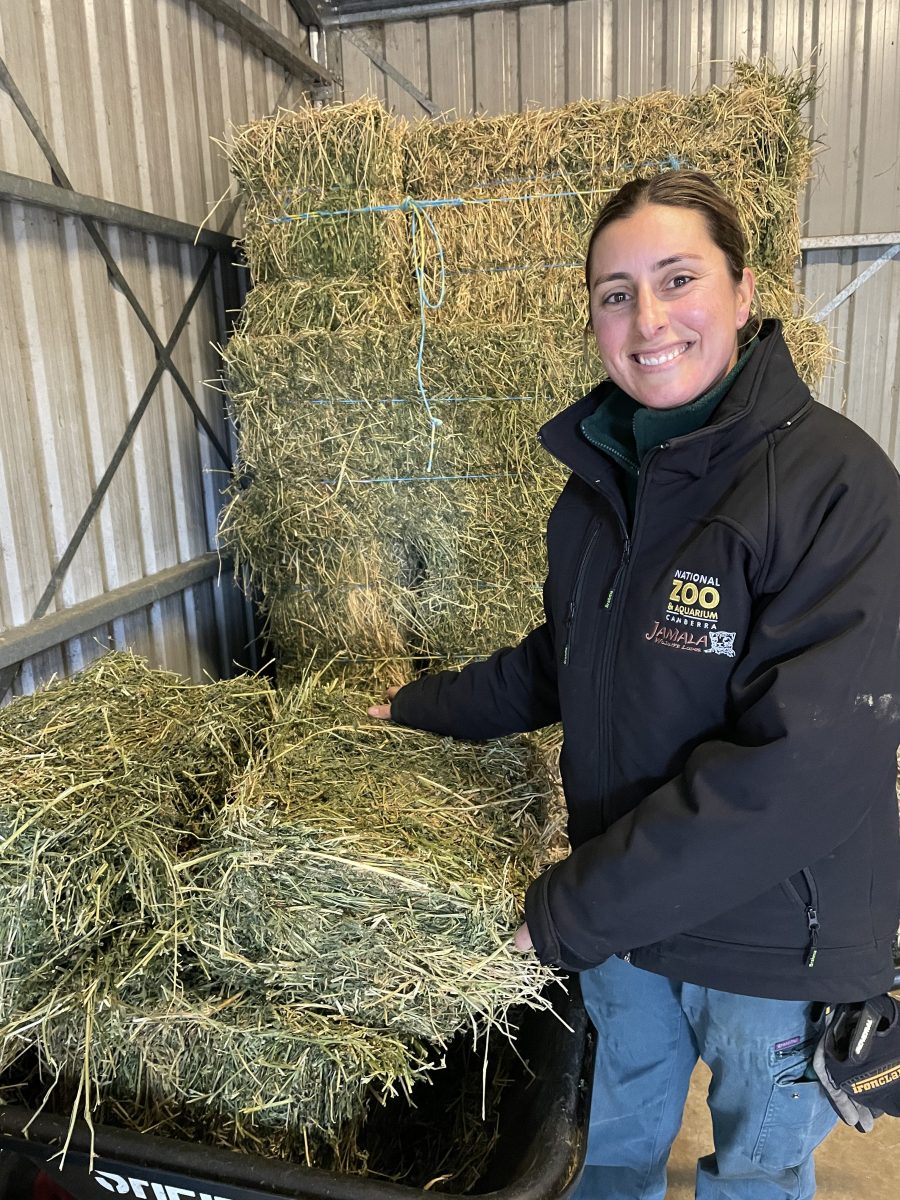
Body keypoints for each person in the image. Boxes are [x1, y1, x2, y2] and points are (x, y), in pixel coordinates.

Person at [368, 170, 900, 1199]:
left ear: (745, 294)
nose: (647, 319)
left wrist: (570, 910)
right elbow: (560, 662)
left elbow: (800, 773)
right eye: (615, 292)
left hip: (769, 942)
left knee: (755, 1170)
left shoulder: (837, 487)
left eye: (677, 278)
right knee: (610, 1153)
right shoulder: (598, 490)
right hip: (628, 924)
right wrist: (415, 705)